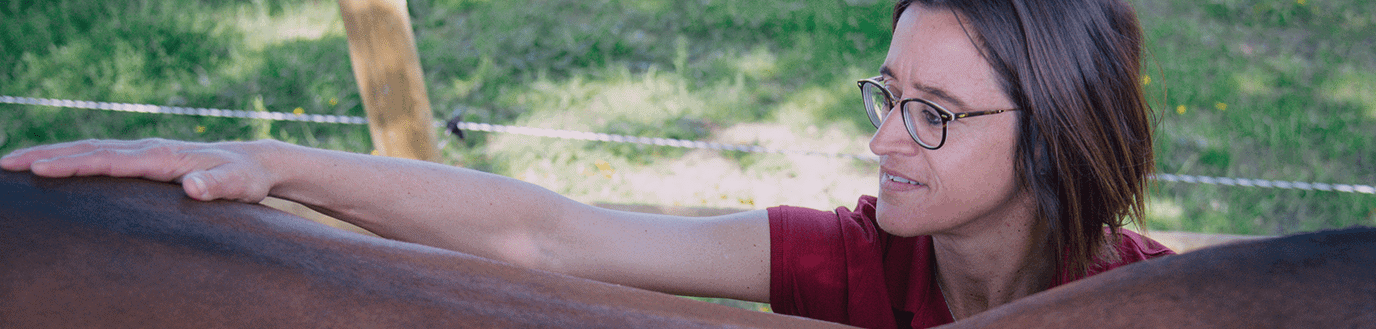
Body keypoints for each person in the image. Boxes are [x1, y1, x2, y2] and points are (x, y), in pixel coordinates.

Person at [0, 0, 1173, 328]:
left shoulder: (1160, 301)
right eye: (884, 93)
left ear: (1055, 136)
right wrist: (272, 165)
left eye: (932, 115)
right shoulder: (863, 256)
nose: (879, 138)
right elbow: (549, 235)